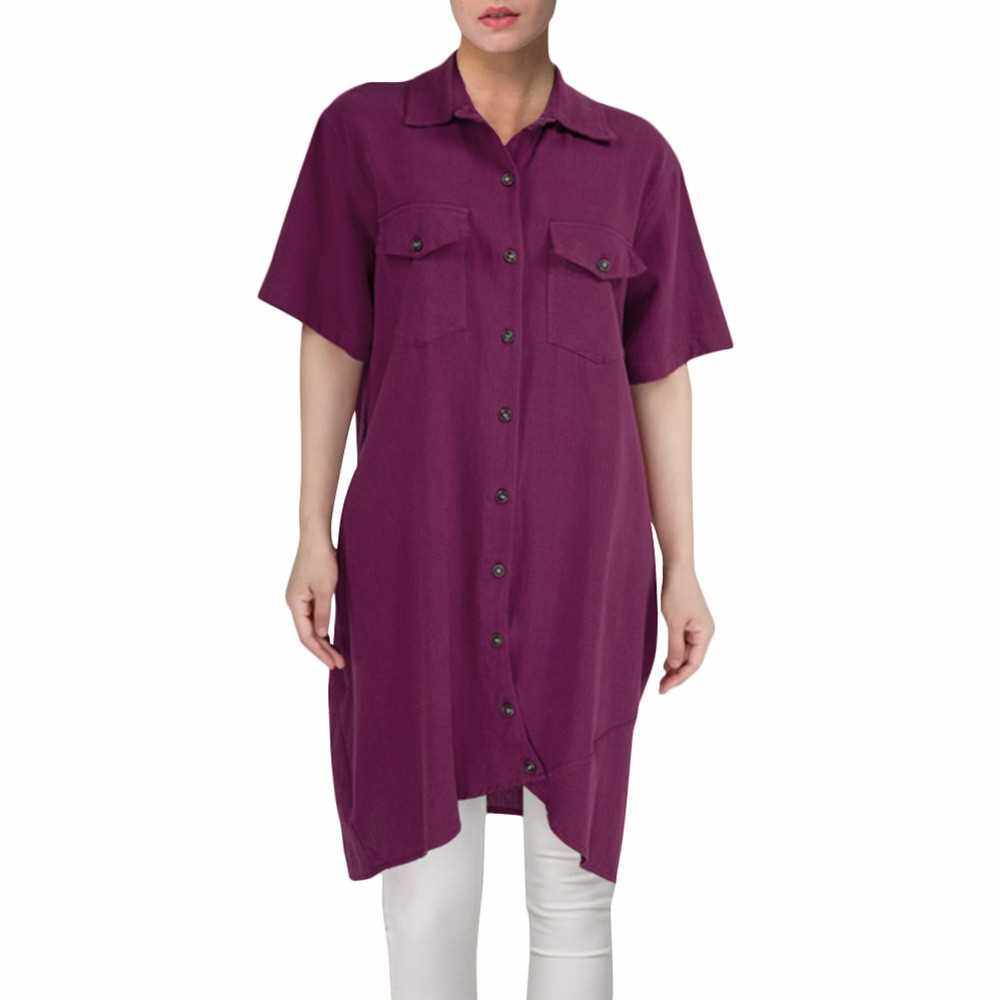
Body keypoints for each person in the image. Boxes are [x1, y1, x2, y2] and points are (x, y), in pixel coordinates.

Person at [258, 2, 731, 997]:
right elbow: (333, 336)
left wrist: (683, 563)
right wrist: (309, 529)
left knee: (575, 889)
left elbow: (659, 372)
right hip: (413, 557)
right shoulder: (362, 134)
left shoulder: (635, 159)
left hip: (583, 566)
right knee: (427, 887)